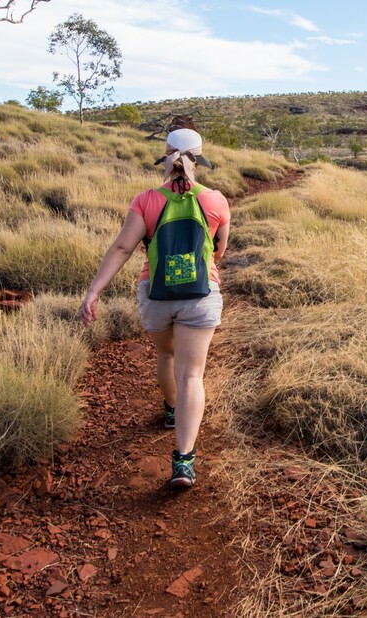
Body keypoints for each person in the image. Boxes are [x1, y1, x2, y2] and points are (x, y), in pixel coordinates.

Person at [80, 128, 231, 489]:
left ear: (165, 156)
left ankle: (170, 411)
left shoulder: (146, 200)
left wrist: (93, 292)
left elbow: (121, 248)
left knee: (166, 357)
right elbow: (220, 249)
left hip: (156, 293)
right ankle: (183, 461)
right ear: (199, 157)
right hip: (200, 293)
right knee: (192, 374)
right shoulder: (215, 200)